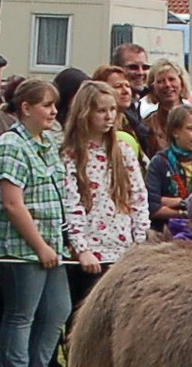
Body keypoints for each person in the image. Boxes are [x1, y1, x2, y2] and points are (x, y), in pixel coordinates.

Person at [0, 79, 72, 367]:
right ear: (26, 108)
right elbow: (13, 203)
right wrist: (40, 246)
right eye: (46, 105)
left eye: (54, 105)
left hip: (53, 244)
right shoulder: (11, 144)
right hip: (20, 247)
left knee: (57, 311)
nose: (53, 111)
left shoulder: (49, 143)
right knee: (21, 315)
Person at [60, 80, 150, 313]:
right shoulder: (71, 154)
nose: (109, 116)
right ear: (85, 113)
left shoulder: (123, 150)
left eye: (112, 110)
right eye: (101, 110)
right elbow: (71, 203)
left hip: (123, 248)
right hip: (90, 251)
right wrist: (81, 248)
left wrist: (139, 242)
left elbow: (138, 198)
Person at [146, 104, 192, 231]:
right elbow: (153, 207)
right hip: (167, 231)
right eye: (191, 129)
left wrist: (170, 201)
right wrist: (186, 210)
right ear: (175, 132)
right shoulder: (159, 162)